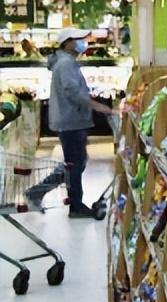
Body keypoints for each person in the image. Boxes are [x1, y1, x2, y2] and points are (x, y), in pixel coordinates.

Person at [28, 28, 112, 217]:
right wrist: (97, 106)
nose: (83, 42)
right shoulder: (65, 64)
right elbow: (72, 92)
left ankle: (38, 192)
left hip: (71, 120)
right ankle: (75, 206)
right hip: (70, 120)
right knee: (75, 164)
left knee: (75, 162)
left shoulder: (67, 62)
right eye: (79, 39)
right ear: (67, 42)